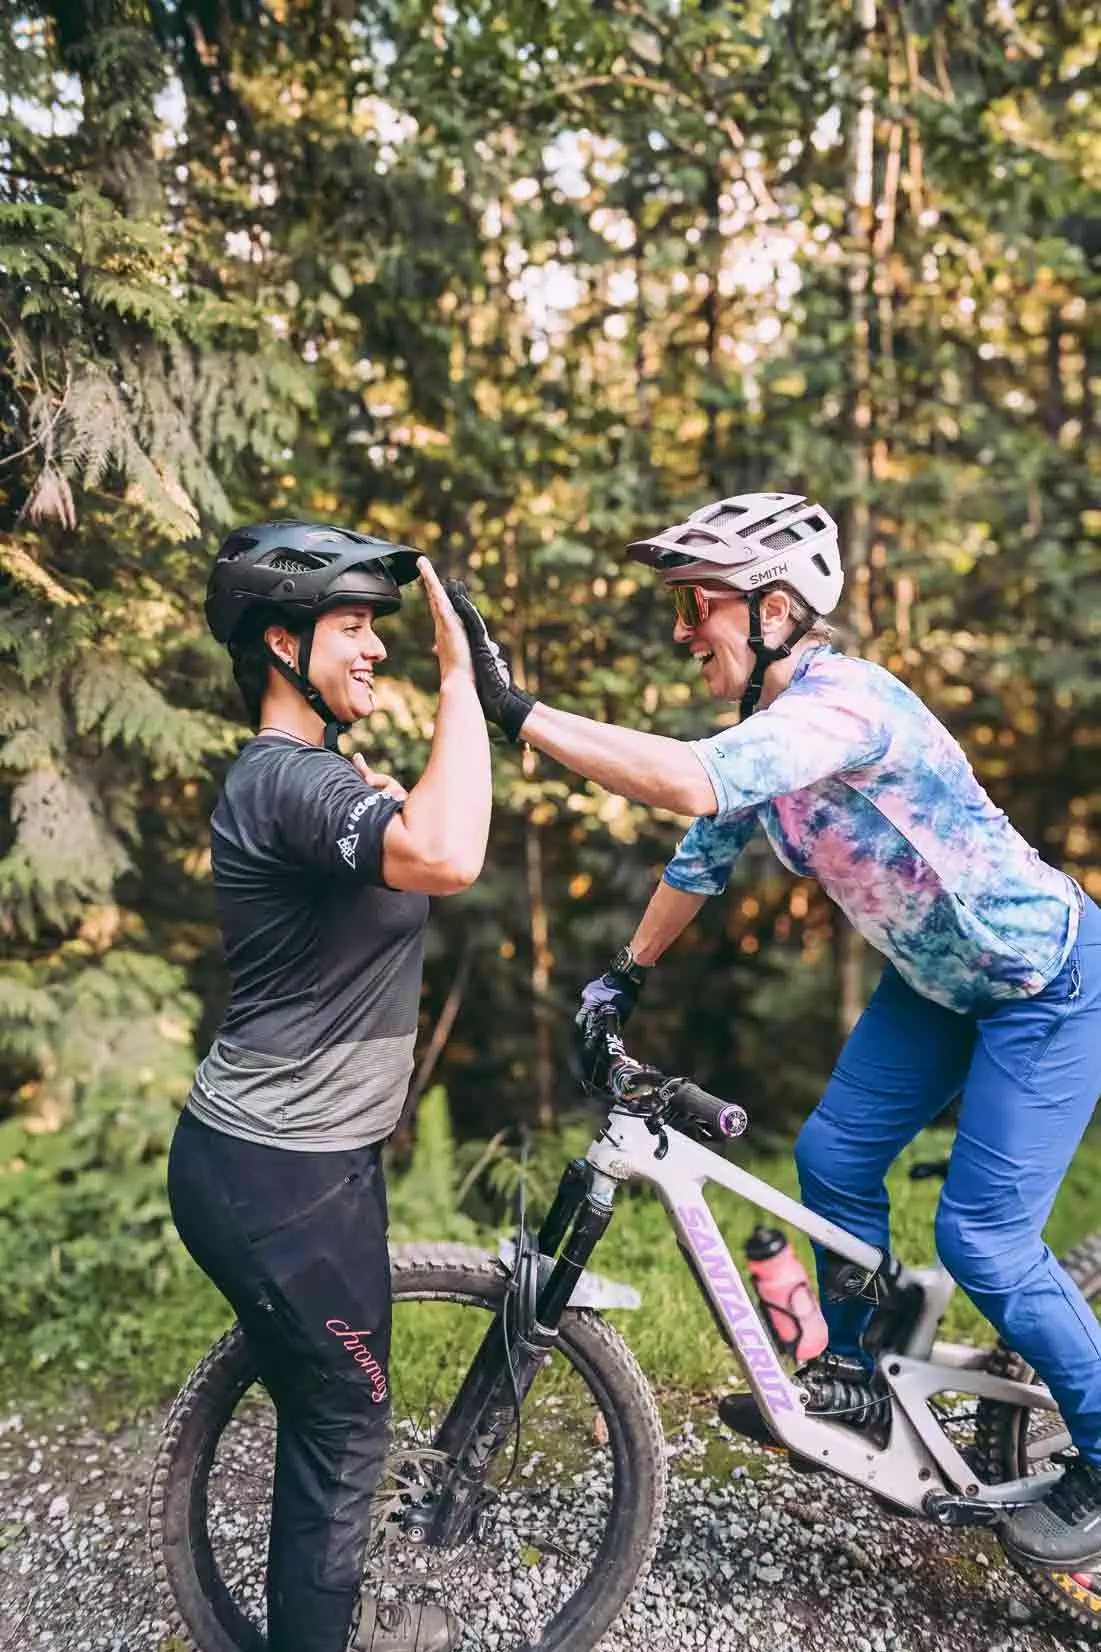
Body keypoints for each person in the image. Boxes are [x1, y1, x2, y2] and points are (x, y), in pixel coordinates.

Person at [448, 491, 1101, 1568]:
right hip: (939, 987)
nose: (682, 628)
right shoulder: (771, 737)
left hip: (1046, 981)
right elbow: (699, 852)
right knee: (833, 1154)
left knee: (983, 1238)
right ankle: (854, 1382)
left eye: (698, 603)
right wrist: (621, 978)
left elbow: (690, 779)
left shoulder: (843, 708)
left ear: (778, 608)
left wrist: (516, 710)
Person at [168, 520, 491, 1652]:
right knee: (347, 1429)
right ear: (280, 640)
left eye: (377, 632)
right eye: (353, 627)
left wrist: (389, 810)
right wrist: (465, 681)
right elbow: (450, 855)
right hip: (277, 1176)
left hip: (305, 1164)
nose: (376, 651)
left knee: (328, 1417)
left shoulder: (308, 783)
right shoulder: (288, 779)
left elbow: (402, 862)